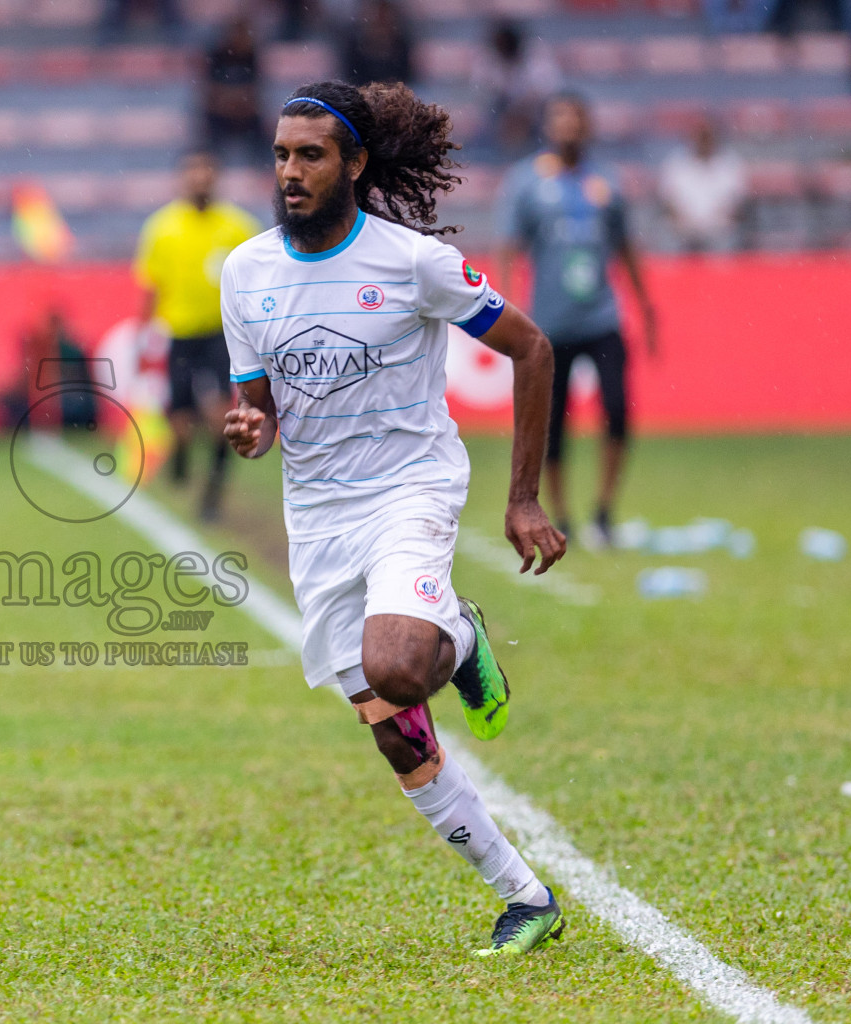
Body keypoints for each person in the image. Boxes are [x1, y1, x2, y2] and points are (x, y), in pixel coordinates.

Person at [221, 81, 568, 955]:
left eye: (310, 155)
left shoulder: (411, 262)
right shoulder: (246, 272)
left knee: (401, 663)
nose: (289, 173)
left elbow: (532, 347)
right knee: (398, 737)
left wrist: (522, 497)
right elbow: (257, 411)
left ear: (355, 164)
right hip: (320, 519)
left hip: (409, 489)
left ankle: (456, 632)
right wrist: (248, 427)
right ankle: (524, 895)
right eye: (279, 155)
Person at [495, 93, 657, 545]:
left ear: (588, 126)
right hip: (549, 323)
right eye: (561, 117)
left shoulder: (607, 182)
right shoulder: (526, 182)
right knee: (553, 425)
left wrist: (645, 305)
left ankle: (604, 511)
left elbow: (625, 247)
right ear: (548, 126)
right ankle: (562, 512)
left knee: (619, 412)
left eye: (576, 118)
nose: (569, 126)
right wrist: (508, 306)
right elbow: (510, 247)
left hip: (602, 316)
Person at [133, 148, 260, 519]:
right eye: (193, 171)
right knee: (181, 421)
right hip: (181, 333)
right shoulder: (162, 227)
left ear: (215, 177)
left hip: (221, 334)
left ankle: (212, 495)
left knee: (224, 415)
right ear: (182, 178)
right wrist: (143, 336)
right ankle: (182, 451)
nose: (200, 178)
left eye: (206, 171)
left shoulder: (237, 226)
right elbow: (152, 286)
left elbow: (255, 283)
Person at [469, 20, 560, 161]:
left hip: (533, 115)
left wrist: (520, 111)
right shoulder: (488, 58)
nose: (503, 50)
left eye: (506, 46)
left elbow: (546, 91)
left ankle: (537, 153)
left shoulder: (536, 56)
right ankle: (487, 158)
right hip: (500, 113)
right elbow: (480, 92)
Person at [658, 116, 748, 254]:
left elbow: (737, 203)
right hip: (683, 228)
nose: (703, 141)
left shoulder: (730, 164)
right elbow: (668, 202)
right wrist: (687, 221)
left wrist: (713, 222)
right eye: (700, 136)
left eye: (707, 136)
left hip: (719, 227)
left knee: (728, 238)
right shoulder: (675, 164)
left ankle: (723, 275)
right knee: (667, 237)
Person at [201, 17, 268, 160]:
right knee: (208, 128)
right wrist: (231, 101)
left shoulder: (252, 56)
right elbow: (209, 90)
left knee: (262, 128)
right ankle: (211, 161)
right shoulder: (217, 55)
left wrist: (238, 101)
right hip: (220, 110)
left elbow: (256, 89)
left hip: (245, 111)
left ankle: (262, 165)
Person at [335, 0, 413, 86]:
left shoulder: (402, 45)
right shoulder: (353, 47)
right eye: (376, 19)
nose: (380, 22)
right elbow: (350, 77)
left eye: (384, 18)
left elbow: (406, 77)